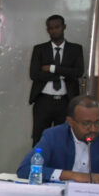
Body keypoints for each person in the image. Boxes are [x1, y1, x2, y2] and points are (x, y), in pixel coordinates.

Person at [16, 95, 99, 184]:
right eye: (86, 123)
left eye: (98, 122)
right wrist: (72, 175)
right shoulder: (54, 135)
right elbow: (25, 169)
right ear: (70, 122)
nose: (93, 129)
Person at [29, 14, 85, 145]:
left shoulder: (75, 49)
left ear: (64, 27)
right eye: (50, 28)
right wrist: (65, 72)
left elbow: (78, 72)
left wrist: (52, 68)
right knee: (40, 139)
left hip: (66, 101)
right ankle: (38, 165)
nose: (54, 30)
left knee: (65, 139)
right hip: (43, 101)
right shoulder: (39, 49)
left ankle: (62, 165)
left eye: (57, 27)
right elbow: (34, 75)